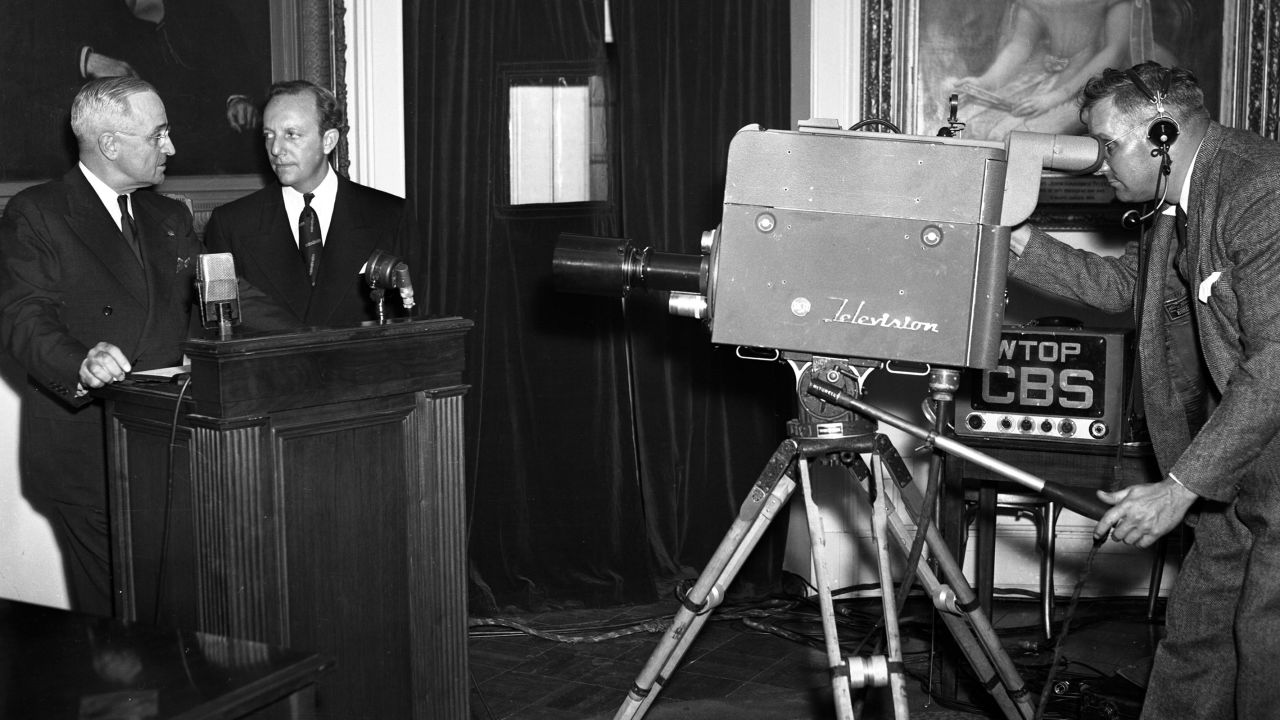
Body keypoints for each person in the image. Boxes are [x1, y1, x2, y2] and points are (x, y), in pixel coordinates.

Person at [1007, 61, 1280, 718]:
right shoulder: (1175, 199)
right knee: (1196, 644)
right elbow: (1127, 289)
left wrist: (1179, 488)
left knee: (1267, 658)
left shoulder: (1260, 189)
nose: (1098, 163)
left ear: (1161, 132)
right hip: (1231, 475)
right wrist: (1012, 240)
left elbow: (1277, 358)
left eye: (1107, 145)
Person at [0, 77, 297, 617]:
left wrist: (310, 340)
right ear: (110, 145)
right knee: (120, 630)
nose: (172, 148)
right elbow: (24, 316)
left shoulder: (170, 216)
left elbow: (226, 293)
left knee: (178, 614)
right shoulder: (37, 213)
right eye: (159, 135)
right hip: (88, 449)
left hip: (168, 446)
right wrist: (80, 362)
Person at [203, 80, 412, 327]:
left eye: (291, 134)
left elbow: (409, 325)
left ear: (328, 141)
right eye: (269, 136)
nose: (276, 149)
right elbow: (221, 333)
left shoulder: (389, 215)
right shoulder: (231, 224)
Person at [949, 0, 1178, 140]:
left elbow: (1115, 50)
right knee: (971, 121)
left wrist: (1056, 97)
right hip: (1050, 74)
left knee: (1022, 135)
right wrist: (986, 82)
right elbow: (1020, 44)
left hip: (1101, 80)